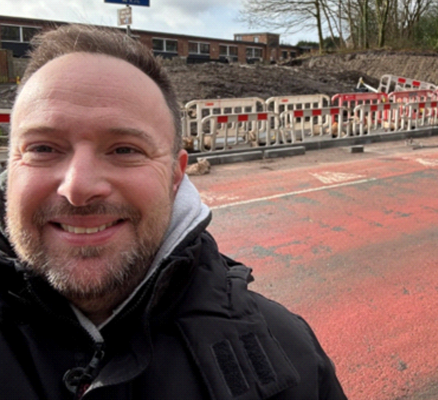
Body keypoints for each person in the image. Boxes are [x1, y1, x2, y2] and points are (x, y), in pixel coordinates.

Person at [0, 24, 346, 400]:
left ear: (176, 175)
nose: (78, 186)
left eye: (124, 150)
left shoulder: (291, 360)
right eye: (43, 148)